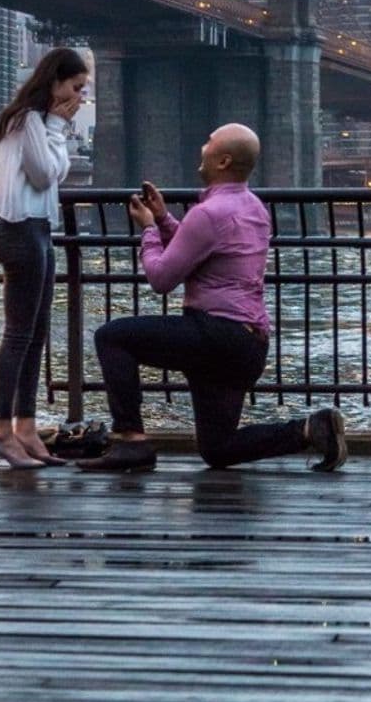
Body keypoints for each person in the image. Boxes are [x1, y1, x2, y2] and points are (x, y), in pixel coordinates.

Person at [77, 122, 347, 474]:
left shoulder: (208, 214)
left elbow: (161, 278)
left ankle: (130, 440)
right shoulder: (255, 209)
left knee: (112, 338)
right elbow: (201, 249)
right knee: (217, 448)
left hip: (214, 336)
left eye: (209, 142)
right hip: (248, 344)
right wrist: (163, 219)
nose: (202, 146)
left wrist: (147, 230)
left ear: (223, 161)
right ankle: (312, 429)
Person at [0, 47, 89, 469]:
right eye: (76, 87)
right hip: (20, 231)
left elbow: (57, 171)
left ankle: (25, 428)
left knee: (35, 334)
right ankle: (1, 431)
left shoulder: (40, 123)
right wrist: (58, 126)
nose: (79, 97)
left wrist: (57, 130)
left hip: (39, 230)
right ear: (54, 82)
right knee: (18, 336)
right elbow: (45, 173)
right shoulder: (27, 121)